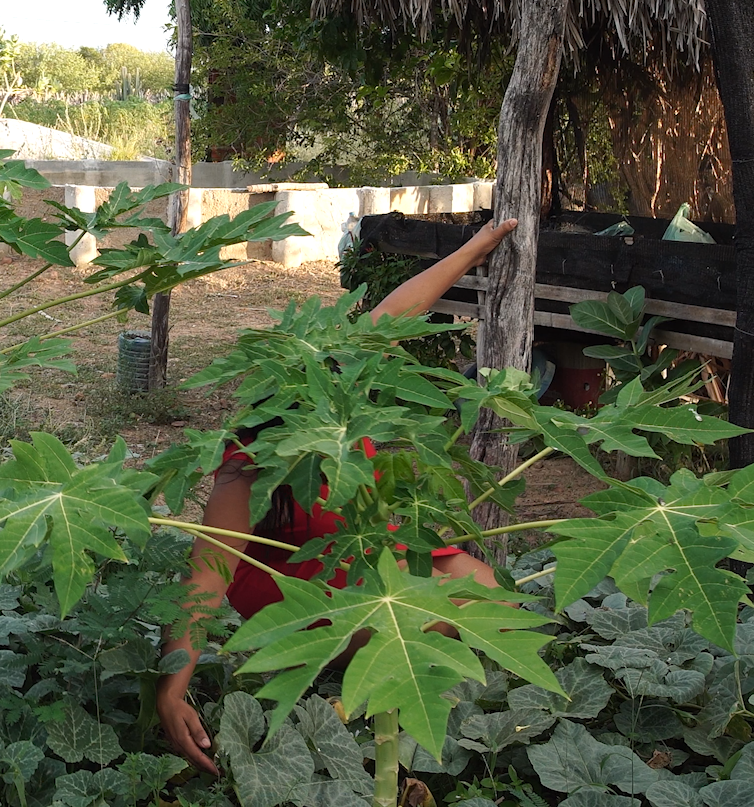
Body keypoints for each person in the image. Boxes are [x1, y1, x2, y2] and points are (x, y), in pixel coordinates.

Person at [155, 218, 520, 776]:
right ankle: (357, 695)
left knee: (496, 597)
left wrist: (475, 249)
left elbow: (400, 309)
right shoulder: (250, 464)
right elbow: (206, 573)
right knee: (409, 628)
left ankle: (397, 664)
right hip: (298, 584)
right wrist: (173, 686)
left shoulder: (343, 388)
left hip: (367, 556)